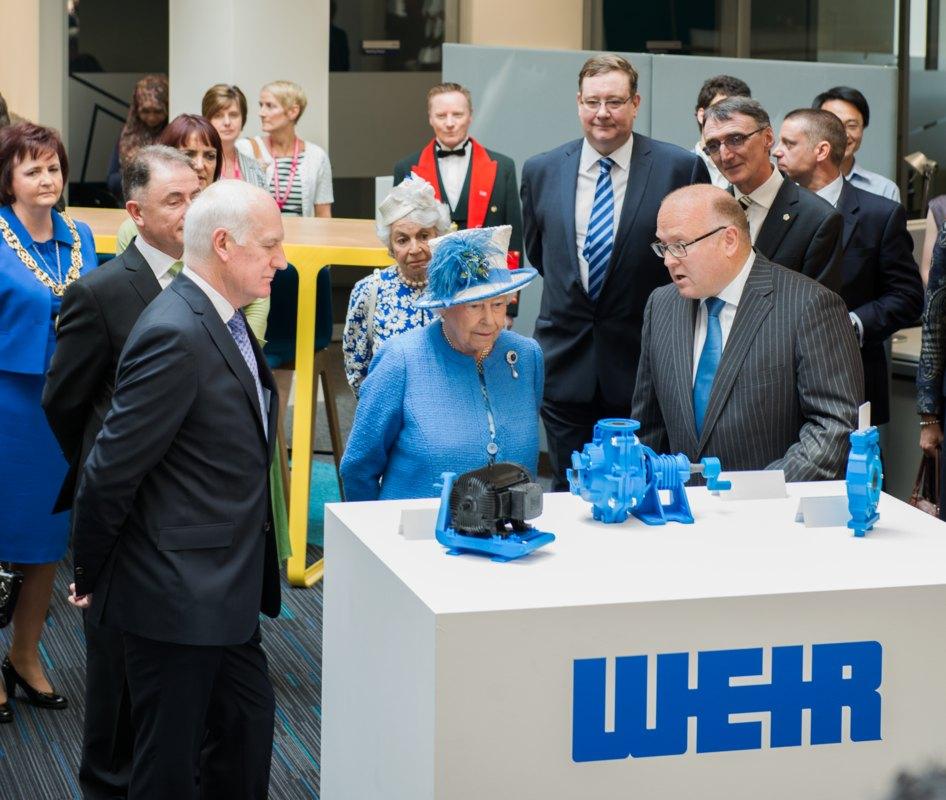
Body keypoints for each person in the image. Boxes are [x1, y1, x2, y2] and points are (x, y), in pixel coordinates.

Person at [70, 180, 285, 799]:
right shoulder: (175, 332)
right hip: (174, 595)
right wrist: (93, 570)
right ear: (223, 244)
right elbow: (110, 470)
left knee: (245, 728)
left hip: (224, 588)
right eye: (269, 246)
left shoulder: (220, 319)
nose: (281, 260)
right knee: (167, 764)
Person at [42, 145, 199, 798]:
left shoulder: (208, 279)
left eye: (197, 194)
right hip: (118, 517)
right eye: (175, 200)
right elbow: (64, 402)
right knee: (115, 690)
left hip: (187, 519)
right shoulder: (100, 294)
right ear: (135, 212)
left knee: (178, 690)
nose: (193, 210)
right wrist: (108, 471)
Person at [520, 53, 710, 490]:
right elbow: (543, 255)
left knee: (640, 490)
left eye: (614, 101)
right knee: (570, 490)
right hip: (565, 362)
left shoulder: (678, 168)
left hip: (644, 364)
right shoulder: (541, 170)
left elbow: (688, 261)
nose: (602, 113)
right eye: (592, 102)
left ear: (635, 103)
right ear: (578, 103)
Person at [632, 185, 862, 480]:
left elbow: (834, 428)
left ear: (729, 240)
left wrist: (756, 492)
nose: (668, 260)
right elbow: (649, 425)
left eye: (679, 245)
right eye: (663, 247)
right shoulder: (661, 305)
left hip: (770, 514)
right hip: (681, 513)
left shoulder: (809, 306)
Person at [0, 123, 97, 722]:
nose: (47, 179)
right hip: (6, 404)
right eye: (32, 169)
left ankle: (26, 655)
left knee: (44, 540)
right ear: (8, 179)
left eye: (54, 167)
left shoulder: (81, 235)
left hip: (65, 408)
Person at [341, 225, 542, 501]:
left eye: (498, 304)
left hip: (511, 537)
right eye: (474, 306)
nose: (491, 321)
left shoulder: (526, 356)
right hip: (416, 537)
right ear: (443, 307)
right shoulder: (400, 361)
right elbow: (358, 468)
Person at [773, 108, 922, 426]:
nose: (776, 150)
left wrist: (853, 324)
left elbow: (907, 297)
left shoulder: (879, 215)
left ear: (821, 151)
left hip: (851, 379)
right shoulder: (773, 211)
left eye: (789, 143)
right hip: (778, 382)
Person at [114, 114, 270, 342]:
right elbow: (127, 298)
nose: (200, 165)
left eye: (210, 155)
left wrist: (244, 352)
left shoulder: (235, 220)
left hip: (227, 346)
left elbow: (257, 298)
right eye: (188, 154)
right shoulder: (135, 228)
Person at [702, 96, 843, 291]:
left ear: (768, 138)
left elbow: (817, 307)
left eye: (736, 139)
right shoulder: (709, 213)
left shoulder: (817, 219)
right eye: (714, 146)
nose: (725, 155)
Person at [393, 82, 524, 267]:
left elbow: (513, 238)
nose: (449, 123)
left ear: (470, 116)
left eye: (457, 114)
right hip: (427, 277)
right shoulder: (406, 169)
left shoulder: (503, 168)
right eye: (441, 115)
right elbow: (400, 236)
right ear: (430, 118)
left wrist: (510, 292)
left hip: (486, 278)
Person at [342, 175, 451, 394]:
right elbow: (357, 370)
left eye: (423, 236)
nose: (415, 249)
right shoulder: (369, 291)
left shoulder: (458, 286)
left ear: (438, 235)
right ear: (391, 248)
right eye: (402, 240)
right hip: (392, 417)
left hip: (450, 414)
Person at [237, 80, 333, 217]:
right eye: (261, 105)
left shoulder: (317, 156)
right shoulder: (247, 149)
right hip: (262, 237)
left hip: (303, 238)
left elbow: (324, 215)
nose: (261, 113)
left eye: (270, 106)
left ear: (293, 111)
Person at [813, 86, 900, 202]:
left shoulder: (884, 190)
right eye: (833, 125)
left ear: (863, 128)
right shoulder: (797, 185)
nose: (844, 135)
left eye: (852, 125)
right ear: (814, 128)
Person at [106, 74, 169, 201]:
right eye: (145, 111)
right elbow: (112, 181)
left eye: (158, 111)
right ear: (136, 109)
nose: (151, 118)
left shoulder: (174, 134)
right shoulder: (128, 136)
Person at [202, 83, 267, 187]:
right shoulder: (197, 166)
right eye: (218, 116)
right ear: (207, 120)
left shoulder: (255, 168)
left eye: (233, 115)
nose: (227, 122)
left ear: (243, 119)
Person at [693, 74, 751, 189]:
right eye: (720, 112)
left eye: (739, 112)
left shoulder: (751, 167)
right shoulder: (682, 166)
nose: (730, 122)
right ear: (701, 115)